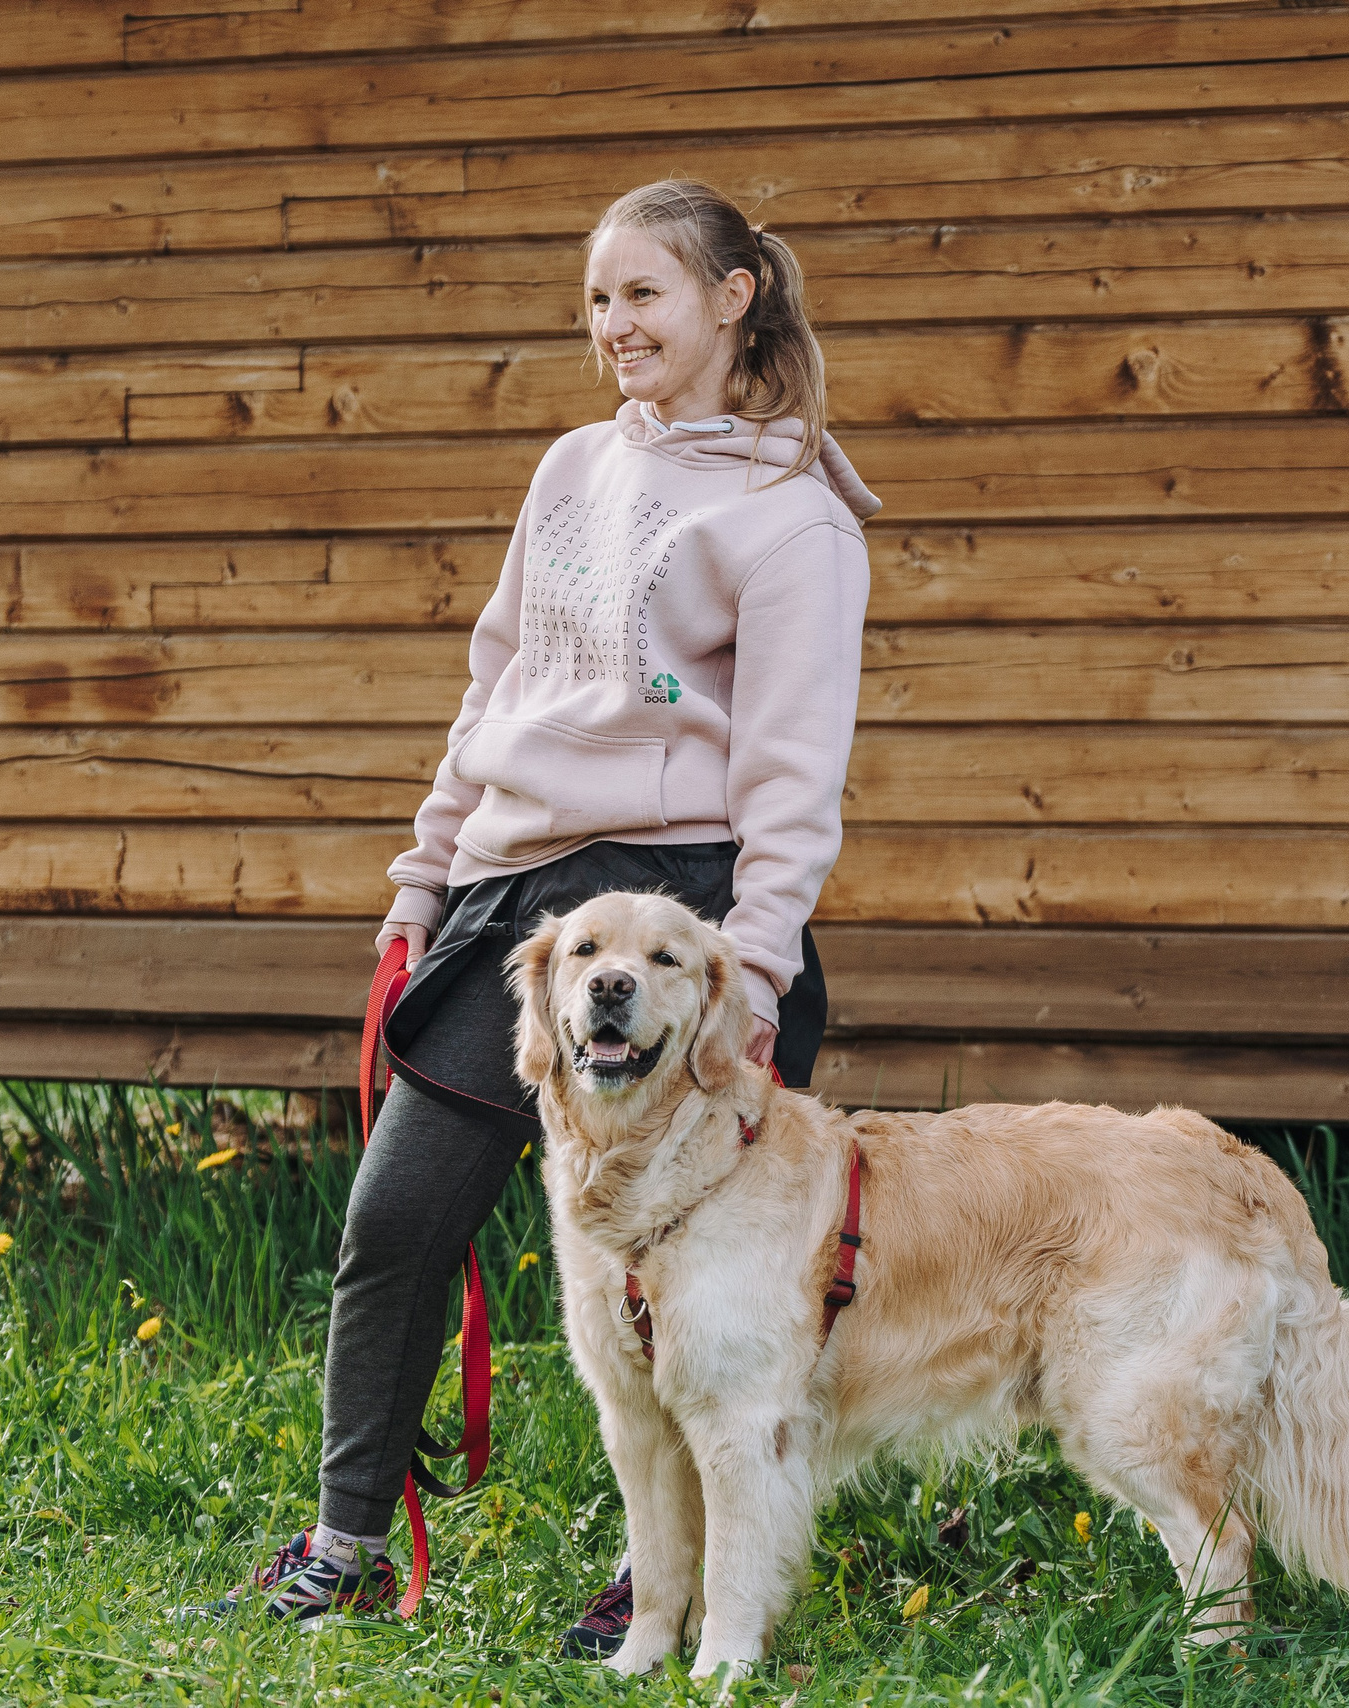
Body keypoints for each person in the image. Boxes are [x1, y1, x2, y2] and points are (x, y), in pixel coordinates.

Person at [225, 179, 880, 1650]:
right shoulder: (572, 468)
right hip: (514, 906)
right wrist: (422, 882)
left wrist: (754, 976)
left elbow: (790, 781)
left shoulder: (795, 523)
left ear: (734, 299)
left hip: (686, 913)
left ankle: (676, 1582)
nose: (614, 326)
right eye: (597, 300)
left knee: (707, 1288)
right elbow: (496, 688)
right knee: (395, 1224)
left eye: (644, 294)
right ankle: (343, 1542)